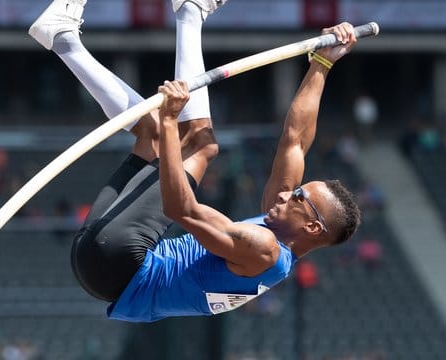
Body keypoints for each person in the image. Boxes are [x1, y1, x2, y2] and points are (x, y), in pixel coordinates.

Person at [29, 0, 361, 322]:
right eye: (297, 190)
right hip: (103, 266)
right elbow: (295, 140)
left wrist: (174, 121)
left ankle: (189, 12)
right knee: (159, 134)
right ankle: (65, 40)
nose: (289, 194)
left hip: (122, 263)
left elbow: (181, 209)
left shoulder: (264, 249)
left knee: (193, 142)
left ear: (312, 227)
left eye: (299, 198)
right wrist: (322, 64)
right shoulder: (279, 228)